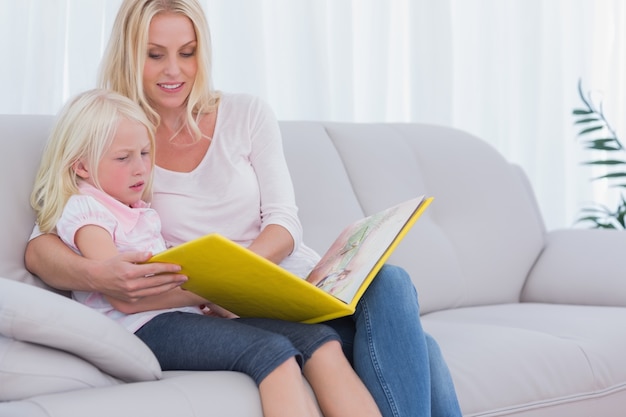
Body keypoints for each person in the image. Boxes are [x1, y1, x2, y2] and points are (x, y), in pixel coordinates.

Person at [24, 1, 463, 416]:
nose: (174, 70)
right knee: (423, 351)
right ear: (128, 55)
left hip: (284, 286)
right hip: (215, 307)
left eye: (188, 52)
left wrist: (244, 279)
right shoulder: (113, 137)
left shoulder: (246, 113)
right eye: (155, 54)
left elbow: (284, 221)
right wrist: (98, 275)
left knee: (390, 280)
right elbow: (45, 242)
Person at [30, 88, 382, 417]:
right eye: (123, 158)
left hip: (175, 317)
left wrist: (214, 302)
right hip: (141, 328)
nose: (140, 167)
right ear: (81, 167)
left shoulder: (135, 208)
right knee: (270, 352)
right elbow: (126, 295)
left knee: (320, 339)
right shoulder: (87, 211)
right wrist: (215, 286)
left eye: (144, 153)